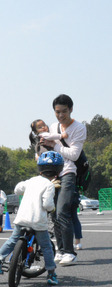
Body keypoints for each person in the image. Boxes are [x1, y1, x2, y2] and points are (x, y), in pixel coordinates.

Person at [0, 151, 62, 285]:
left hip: (22, 218)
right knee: (46, 247)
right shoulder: (50, 185)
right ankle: (51, 273)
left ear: (40, 170)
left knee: (12, 240)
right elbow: (47, 204)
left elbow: (17, 189)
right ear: (57, 173)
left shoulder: (31, 181)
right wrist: (52, 209)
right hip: (38, 221)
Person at [39, 94, 86, 266]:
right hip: (53, 174)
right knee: (53, 213)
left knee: (63, 211)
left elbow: (74, 155)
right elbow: (51, 149)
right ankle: (60, 250)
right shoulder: (53, 126)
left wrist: (55, 146)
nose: (60, 115)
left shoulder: (79, 128)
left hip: (68, 172)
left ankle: (70, 252)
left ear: (71, 109)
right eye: (57, 112)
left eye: (64, 111)